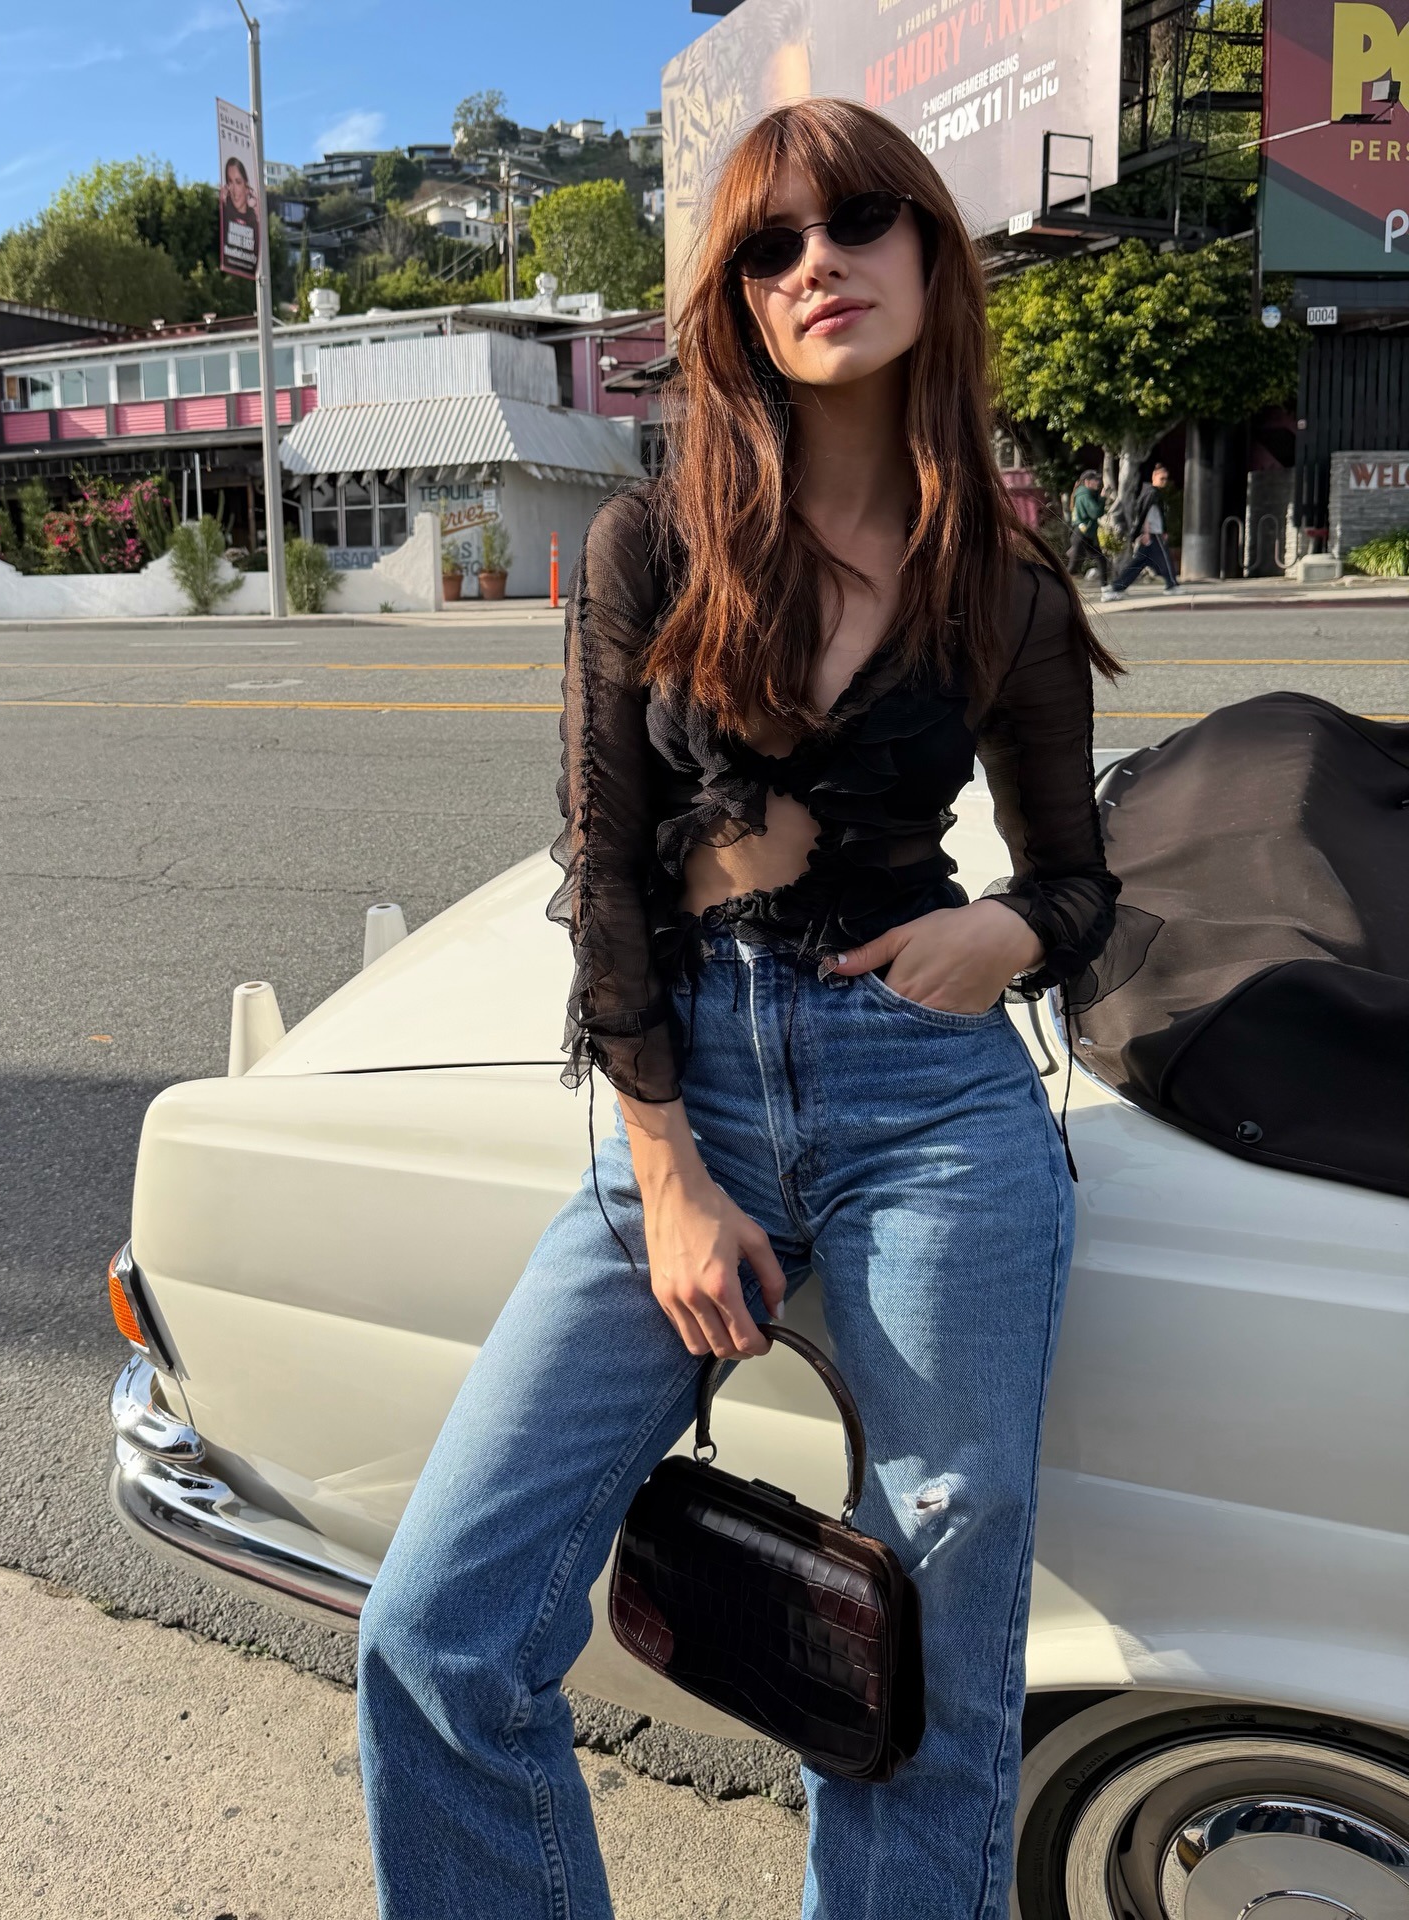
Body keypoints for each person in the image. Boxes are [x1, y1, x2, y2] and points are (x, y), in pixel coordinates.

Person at [356, 95, 1126, 1920]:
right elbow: (604, 868)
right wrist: (670, 1171)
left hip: (934, 1112)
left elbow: (1080, 880)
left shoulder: (1006, 593)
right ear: (737, 303)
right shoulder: (650, 545)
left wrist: (1007, 934)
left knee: (929, 1676)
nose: (820, 264)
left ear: (932, 253)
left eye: (861, 221)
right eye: (773, 247)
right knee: (440, 1634)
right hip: (686, 1097)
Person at [1103, 461, 1180, 598]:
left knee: (1138, 562)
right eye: (1162, 478)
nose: (1164, 482)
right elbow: (1145, 514)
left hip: (1152, 533)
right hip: (1152, 533)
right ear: (1154, 476)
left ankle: (1116, 587)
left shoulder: (1148, 492)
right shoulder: (1152, 493)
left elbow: (1147, 514)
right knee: (1165, 559)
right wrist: (1146, 532)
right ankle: (1171, 585)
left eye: (1166, 479)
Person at [1065, 468, 1108, 585]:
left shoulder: (1087, 494)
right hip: (1081, 533)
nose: (1098, 482)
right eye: (1095, 480)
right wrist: (1102, 498)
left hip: (1086, 533)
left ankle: (1106, 589)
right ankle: (1055, 586)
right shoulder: (1085, 495)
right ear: (1087, 482)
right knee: (1073, 566)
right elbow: (1095, 513)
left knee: (1101, 559)